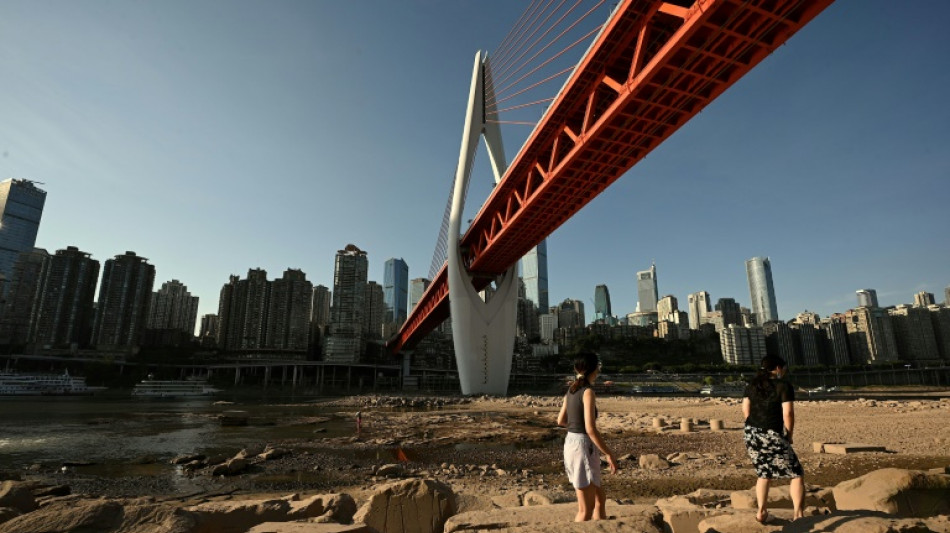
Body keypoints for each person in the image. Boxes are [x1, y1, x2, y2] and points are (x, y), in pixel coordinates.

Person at [742, 354, 805, 523]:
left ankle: (761, 512)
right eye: (783, 367)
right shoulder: (783, 386)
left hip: (751, 432)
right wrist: (789, 434)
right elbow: (788, 413)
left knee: (764, 472)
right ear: (777, 368)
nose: (784, 371)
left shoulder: (752, 384)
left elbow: (746, 410)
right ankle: (799, 516)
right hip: (771, 432)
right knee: (796, 473)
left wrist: (755, 427)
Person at [556, 352, 619, 522]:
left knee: (600, 499)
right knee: (586, 510)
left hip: (571, 441)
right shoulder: (587, 392)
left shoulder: (571, 389)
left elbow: (561, 420)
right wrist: (609, 454)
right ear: (595, 369)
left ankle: (602, 526)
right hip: (582, 445)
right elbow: (590, 429)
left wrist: (575, 427)